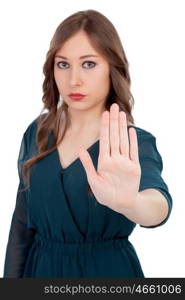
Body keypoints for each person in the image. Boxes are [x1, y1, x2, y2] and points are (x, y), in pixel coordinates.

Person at [3, 9, 173, 278]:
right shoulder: (37, 132)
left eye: (89, 64)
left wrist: (131, 203)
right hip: (40, 273)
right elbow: (21, 226)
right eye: (63, 64)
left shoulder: (132, 141)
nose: (74, 80)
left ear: (112, 68)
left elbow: (158, 205)